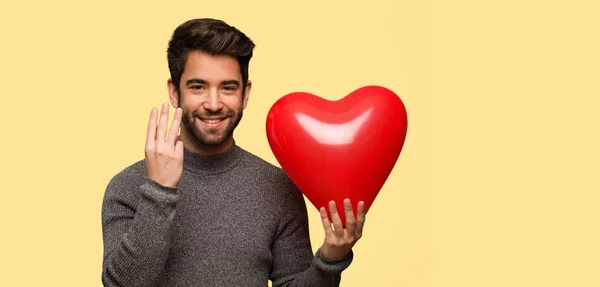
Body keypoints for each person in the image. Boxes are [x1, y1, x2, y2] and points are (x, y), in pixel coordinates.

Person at [101, 18, 366, 287]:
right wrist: (159, 191)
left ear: (245, 94)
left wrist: (331, 259)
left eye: (227, 88)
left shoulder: (278, 188)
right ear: (174, 91)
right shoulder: (128, 187)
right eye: (198, 87)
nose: (214, 104)